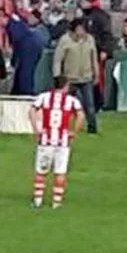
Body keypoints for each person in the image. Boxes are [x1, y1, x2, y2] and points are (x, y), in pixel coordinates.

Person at [29, 76, 85, 209]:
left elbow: (32, 110)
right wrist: (74, 131)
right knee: (60, 172)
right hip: (62, 141)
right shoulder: (72, 101)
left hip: (45, 140)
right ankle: (56, 202)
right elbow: (81, 116)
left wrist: (36, 129)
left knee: (41, 171)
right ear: (66, 86)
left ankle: (37, 201)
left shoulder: (43, 97)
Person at [53, 19, 99, 134]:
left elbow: (94, 58)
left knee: (89, 105)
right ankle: (61, 125)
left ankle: (92, 127)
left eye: (83, 29)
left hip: (86, 77)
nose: (81, 32)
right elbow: (58, 59)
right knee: (65, 105)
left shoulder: (90, 40)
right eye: (79, 29)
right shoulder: (65, 40)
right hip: (70, 79)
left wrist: (96, 74)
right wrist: (57, 76)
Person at [7, 9, 48, 95]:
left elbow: (17, 41)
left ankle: (25, 93)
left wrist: (13, 60)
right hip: (29, 49)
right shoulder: (20, 24)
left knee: (26, 73)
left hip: (30, 50)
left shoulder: (13, 25)